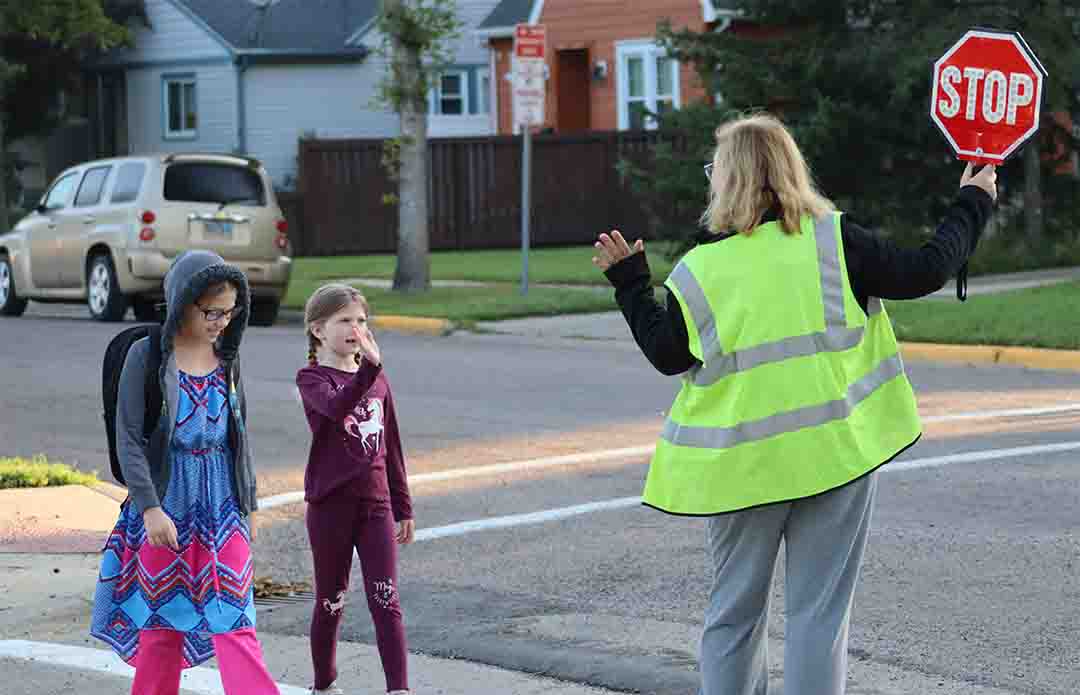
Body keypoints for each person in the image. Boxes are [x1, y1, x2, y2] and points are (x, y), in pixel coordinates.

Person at [591, 114, 996, 695]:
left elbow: (667, 354)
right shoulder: (836, 241)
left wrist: (631, 283)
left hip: (741, 471)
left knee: (733, 615)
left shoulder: (701, 270)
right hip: (836, 456)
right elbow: (928, 268)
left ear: (727, 181)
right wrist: (973, 201)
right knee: (819, 617)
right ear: (790, 171)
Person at [91, 250, 279, 695]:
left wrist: (247, 502)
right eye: (211, 311)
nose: (221, 321)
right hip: (167, 500)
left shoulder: (227, 359)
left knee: (235, 618)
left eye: (230, 312)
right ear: (182, 301)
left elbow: (240, 437)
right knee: (161, 625)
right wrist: (151, 508)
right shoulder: (147, 356)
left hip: (221, 505)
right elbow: (129, 439)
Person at [296, 283, 415, 695]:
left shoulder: (377, 379)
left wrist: (403, 506)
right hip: (330, 506)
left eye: (361, 320)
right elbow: (337, 406)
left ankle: (398, 689)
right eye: (344, 320)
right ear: (317, 330)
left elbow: (392, 444)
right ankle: (324, 685)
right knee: (331, 600)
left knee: (386, 598)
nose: (355, 328)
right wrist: (370, 370)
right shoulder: (312, 378)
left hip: (376, 505)